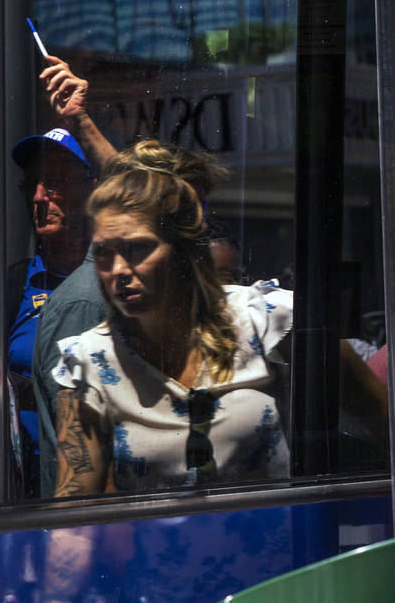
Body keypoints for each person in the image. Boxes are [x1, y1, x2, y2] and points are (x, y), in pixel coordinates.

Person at [51, 146, 294, 495]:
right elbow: (75, 511)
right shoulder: (88, 361)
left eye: (137, 248)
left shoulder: (262, 318)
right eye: (104, 252)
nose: (118, 270)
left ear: (183, 248)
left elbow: (374, 417)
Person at [31, 140, 229, 497]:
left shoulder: (244, 314)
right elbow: (93, 482)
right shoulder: (90, 308)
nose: (197, 224)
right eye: (185, 209)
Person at [6, 55, 118, 497]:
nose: (38, 196)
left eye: (54, 183)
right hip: (21, 489)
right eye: (31, 183)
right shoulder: (12, 284)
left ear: (92, 189)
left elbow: (144, 197)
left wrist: (82, 120)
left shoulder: (118, 280)